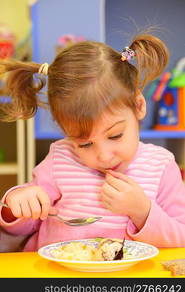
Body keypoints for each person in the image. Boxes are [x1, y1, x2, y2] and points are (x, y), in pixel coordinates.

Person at [0, 32, 185, 252]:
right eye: (85, 144)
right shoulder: (61, 158)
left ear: (138, 105)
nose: (104, 156)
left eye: (115, 135)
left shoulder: (160, 165)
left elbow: (180, 236)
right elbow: (22, 227)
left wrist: (142, 211)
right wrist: (17, 204)